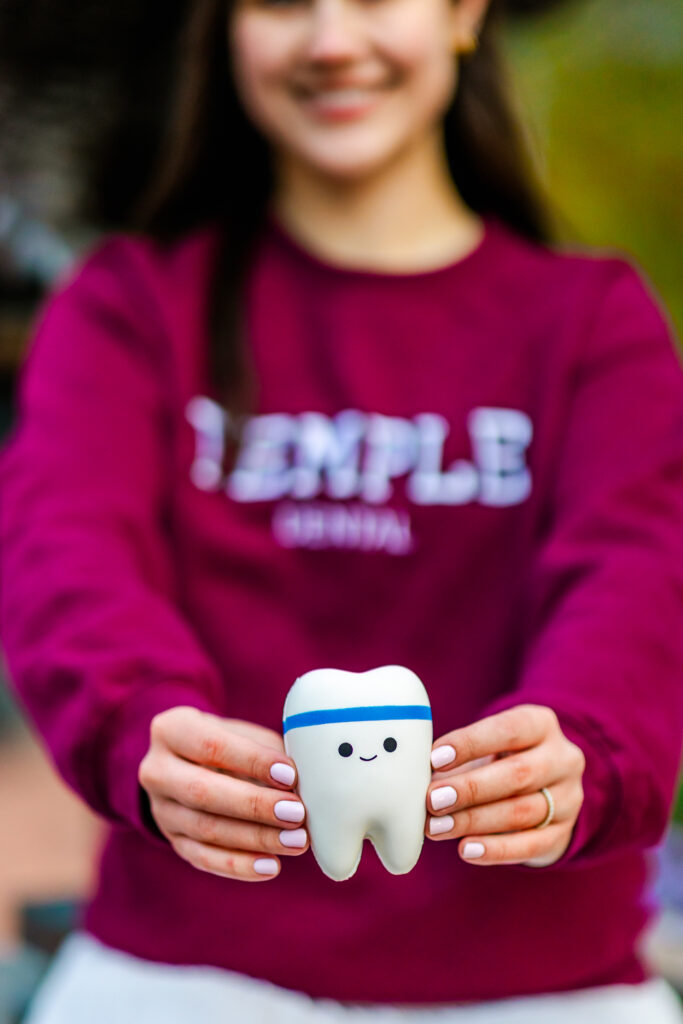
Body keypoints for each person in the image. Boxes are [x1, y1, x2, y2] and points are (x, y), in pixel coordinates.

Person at [1, 0, 683, 1020]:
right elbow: (67, 556)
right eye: (281, 1)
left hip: (542, 983)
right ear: (225, 28)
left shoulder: (590, 322)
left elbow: (638, 571)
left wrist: (581, 743)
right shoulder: (129, 308)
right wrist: (138, 725)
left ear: (461, 15)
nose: (330, 42)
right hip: (185, 970)